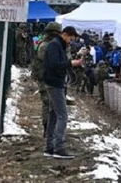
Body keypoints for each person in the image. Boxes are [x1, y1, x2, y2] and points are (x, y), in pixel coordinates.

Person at [44, 26, 83, 159]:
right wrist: (71, 63)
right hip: (55, 83)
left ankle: (49, 147)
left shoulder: (57, 45)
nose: (71, 41)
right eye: (71, 38)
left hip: (55, 82)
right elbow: (55, 64)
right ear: (65, 35)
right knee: (62, 115)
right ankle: (58, 148)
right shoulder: (55, 45)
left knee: (54, 114)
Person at [32, 22, 62, 138]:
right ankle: (48, 129)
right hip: (46, 77)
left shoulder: (53, 44)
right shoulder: (45, 45)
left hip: (52, 78)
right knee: (48, 103)